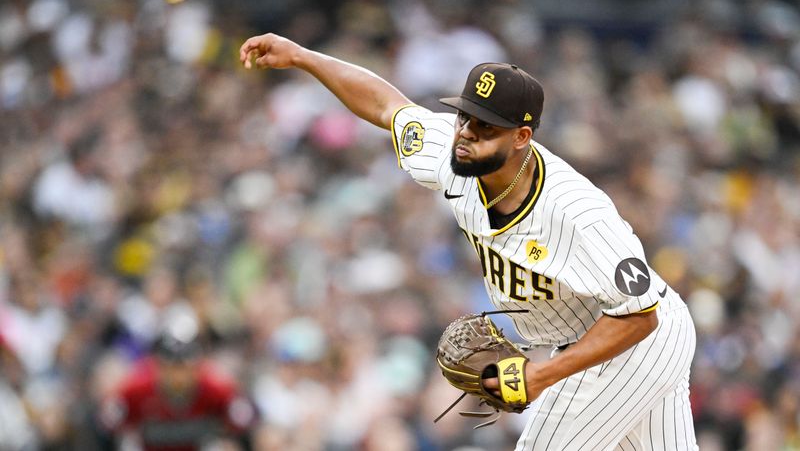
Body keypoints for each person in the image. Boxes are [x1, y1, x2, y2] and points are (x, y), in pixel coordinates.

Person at [239, 33, 698, 450]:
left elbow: (640, 315)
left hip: (635, 335)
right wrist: (302, 56)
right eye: (465, 117)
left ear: (522, 137)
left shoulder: (576, 213)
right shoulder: (451, 152)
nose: (466, 135)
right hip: (599, 336)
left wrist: (542, 375)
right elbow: (386, 106)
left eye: (485, 128)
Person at [98, 330, 256, 451]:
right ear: (158, 367)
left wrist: (229, 434)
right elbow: (107, 420)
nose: (178, 377)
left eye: (184, 368)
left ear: (197, 367)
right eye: (172, 368)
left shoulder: (215, 386)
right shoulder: (137, 387)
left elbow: (244, 417)